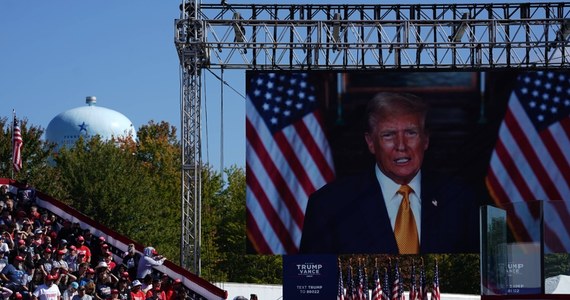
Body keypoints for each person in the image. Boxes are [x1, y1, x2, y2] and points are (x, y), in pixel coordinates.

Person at [299, 92, 479, 254]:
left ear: (425, 140)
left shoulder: (461, 200)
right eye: (388, 135)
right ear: (370, 142)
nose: (401, 146)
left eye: (411, 133)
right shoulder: (329, 205)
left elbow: (485, 279)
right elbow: (311, 286)